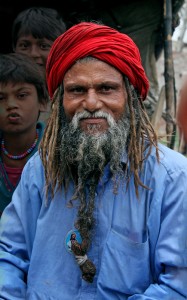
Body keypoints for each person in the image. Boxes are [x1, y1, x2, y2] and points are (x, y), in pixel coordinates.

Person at [0, 22, 187, 299]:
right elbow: (9, 256)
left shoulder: (172, 178)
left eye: (106, 88)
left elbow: (177, 285)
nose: (91, 103)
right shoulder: (41, 170)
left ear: (131, 97)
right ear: (60, 100)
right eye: (77, 90)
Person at [0, 52, 49, 217]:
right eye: (1, 98)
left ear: (42, 102)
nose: (11, 105)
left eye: (21, 96)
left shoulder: (54, 153)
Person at [12, 6, 66, 124]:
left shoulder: (69, 97)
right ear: (14, 48)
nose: (33, 54)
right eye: (24, 46)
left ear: (59, 50)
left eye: (43, 46)